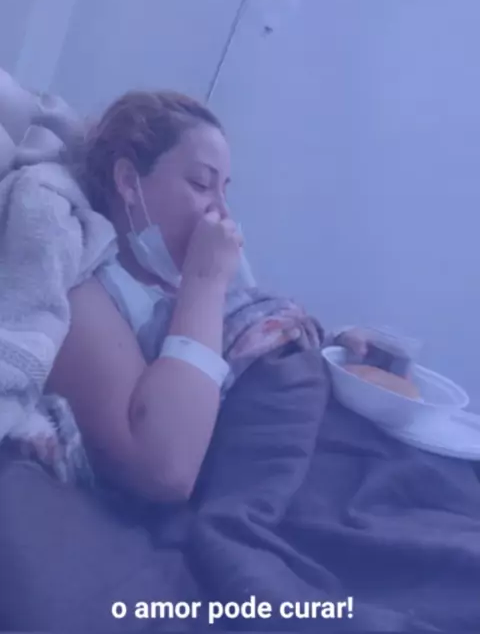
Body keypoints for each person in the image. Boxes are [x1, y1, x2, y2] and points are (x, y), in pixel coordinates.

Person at [47, 90, 366, 502]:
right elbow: (165, 468)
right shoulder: (85, 287)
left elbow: (251, 325)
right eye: (201, 184)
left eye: (223, 192)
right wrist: (205, 282)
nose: (222, 213)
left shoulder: (181, 278)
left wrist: (334, 347)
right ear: (128, 181)